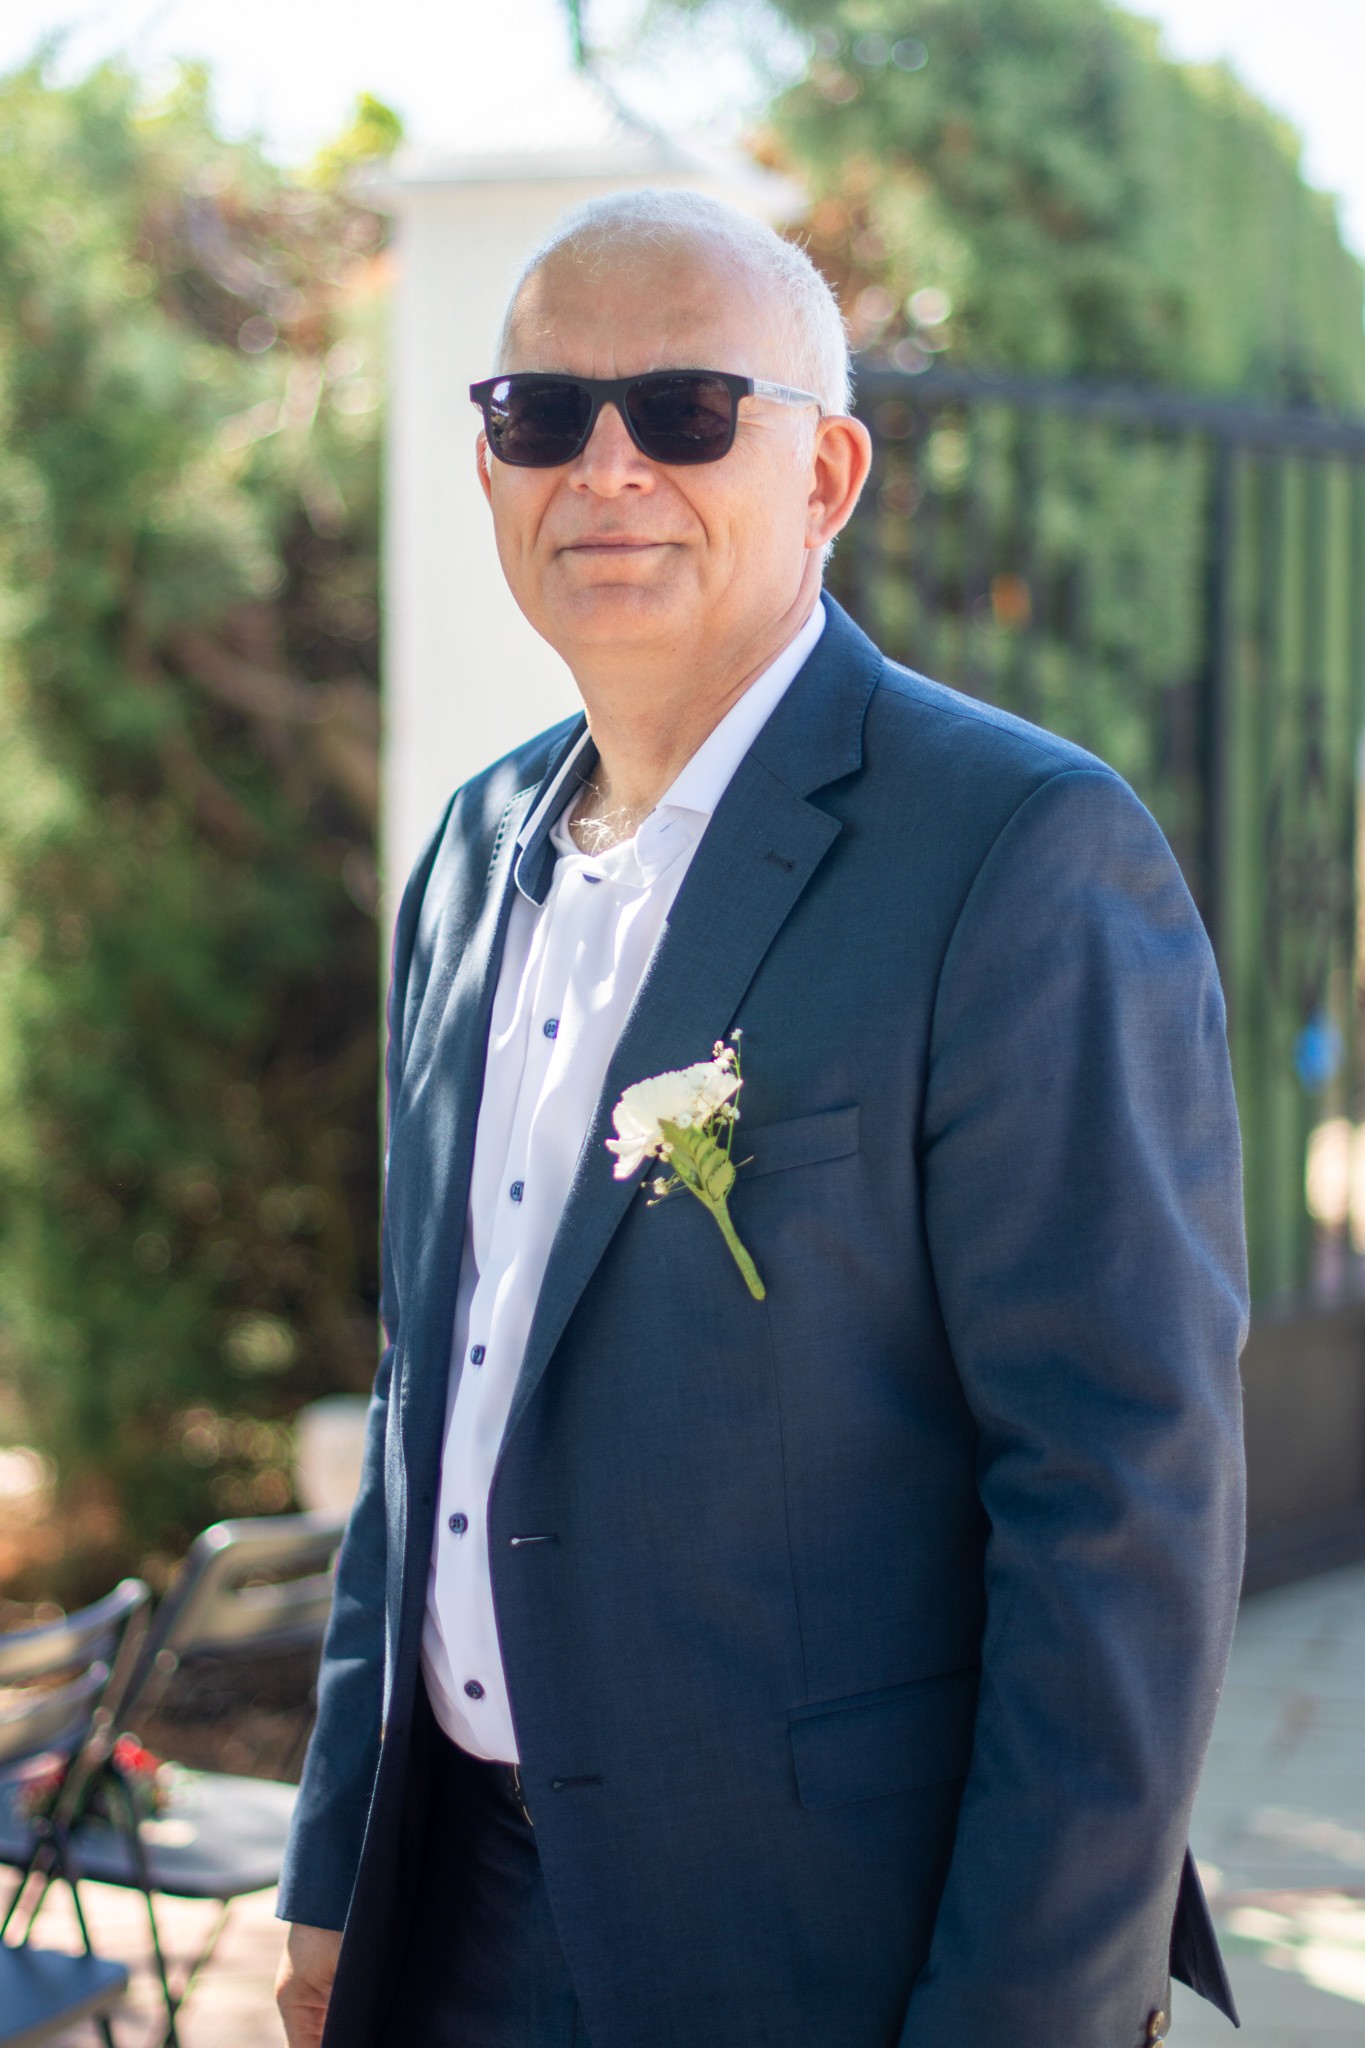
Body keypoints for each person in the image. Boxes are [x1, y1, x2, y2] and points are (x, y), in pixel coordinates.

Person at [273, 189, 1247, 2048]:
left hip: (822, 1949)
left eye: (686, 409)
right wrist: (336, 1873)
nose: (606, 467)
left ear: (826, 476)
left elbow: (1119, 1501)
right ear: (489, 468)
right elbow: (427, 1396)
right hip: (452, 1925)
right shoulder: (468, 855)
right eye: (541, 415)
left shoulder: (1020, 852)